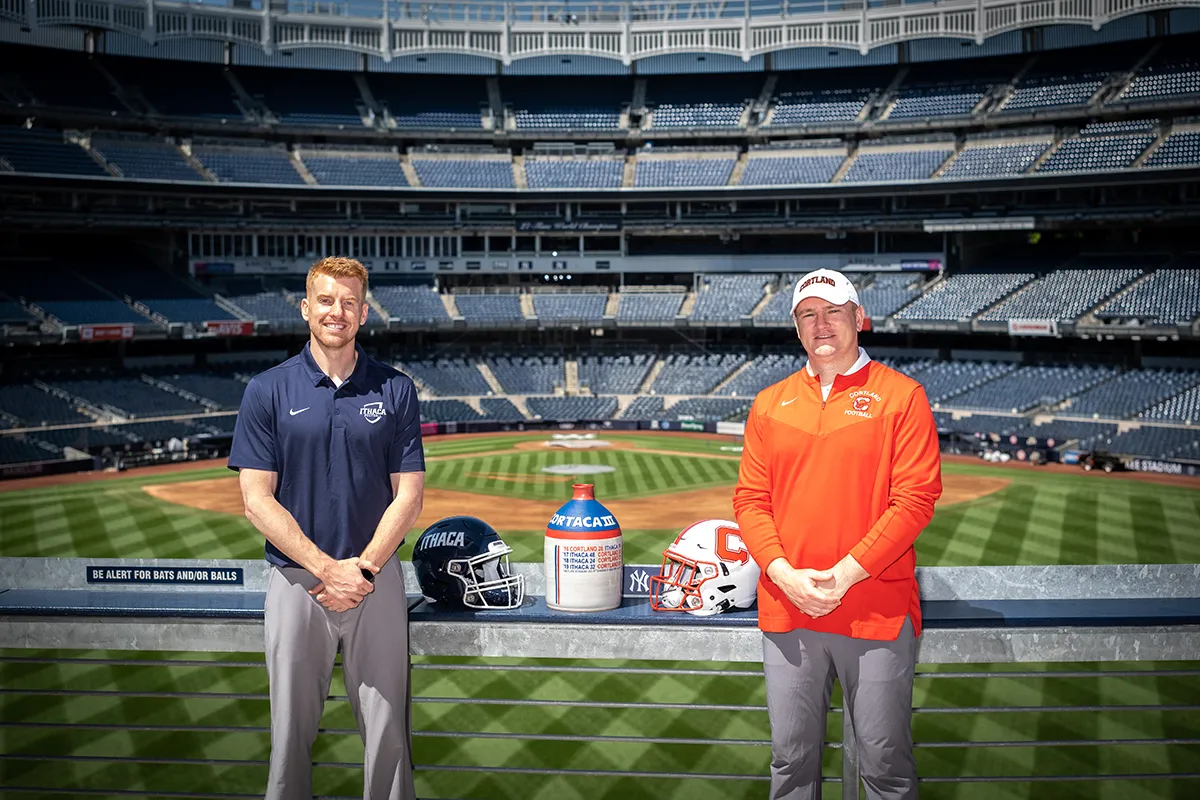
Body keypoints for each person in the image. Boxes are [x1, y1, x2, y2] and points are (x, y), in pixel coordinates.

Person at [733, 268, 942, 800]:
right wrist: (785, 575)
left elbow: (916, 500)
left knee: (885, 763)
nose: (820, 323)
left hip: (876, 609)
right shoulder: (768, 403)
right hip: (788, 608)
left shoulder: (902, 396)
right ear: (797, 329)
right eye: (808, 314)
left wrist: (843, 576)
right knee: (791, 762)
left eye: (832, 311)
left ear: (858, 318)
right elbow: (751, 501)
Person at [228, 256, 425, 800]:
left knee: (389, 736)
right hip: (296, 582)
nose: (336, 311)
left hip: (376, 579)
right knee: (289, 737)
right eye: (325, 300)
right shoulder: (266, 389)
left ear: (363, 313)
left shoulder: (396, 389)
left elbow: (408, 496)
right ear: (306, 308)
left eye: (348, 302)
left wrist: (359, 569)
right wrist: (325, 569)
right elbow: (255, 500)